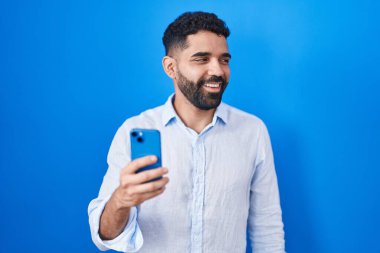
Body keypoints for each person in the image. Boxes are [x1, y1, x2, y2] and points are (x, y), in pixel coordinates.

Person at [88, 11, 285, 253]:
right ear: (171, 67)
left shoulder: (252, 131)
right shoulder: (135, 130)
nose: (218, 71)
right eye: (202, 59)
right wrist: (121, 201)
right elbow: (103, 238)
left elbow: (267, 228)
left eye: (224, 60)